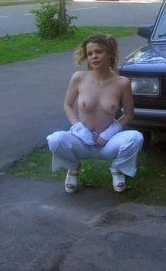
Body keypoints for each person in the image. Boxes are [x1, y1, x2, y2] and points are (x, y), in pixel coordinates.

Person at [46, 35, 144, 193]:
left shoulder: (122, 82)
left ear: (109, 53)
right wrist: (78, 128)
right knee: (55, 140)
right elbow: (67, 105)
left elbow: (128, 115)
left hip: (108, 143)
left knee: (136, 137)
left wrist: (109, 132)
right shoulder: (78, 78)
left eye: (99, 52)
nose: (94, 56)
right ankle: (73, 168)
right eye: (90, 53)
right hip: (81, 141)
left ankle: (117, 168)